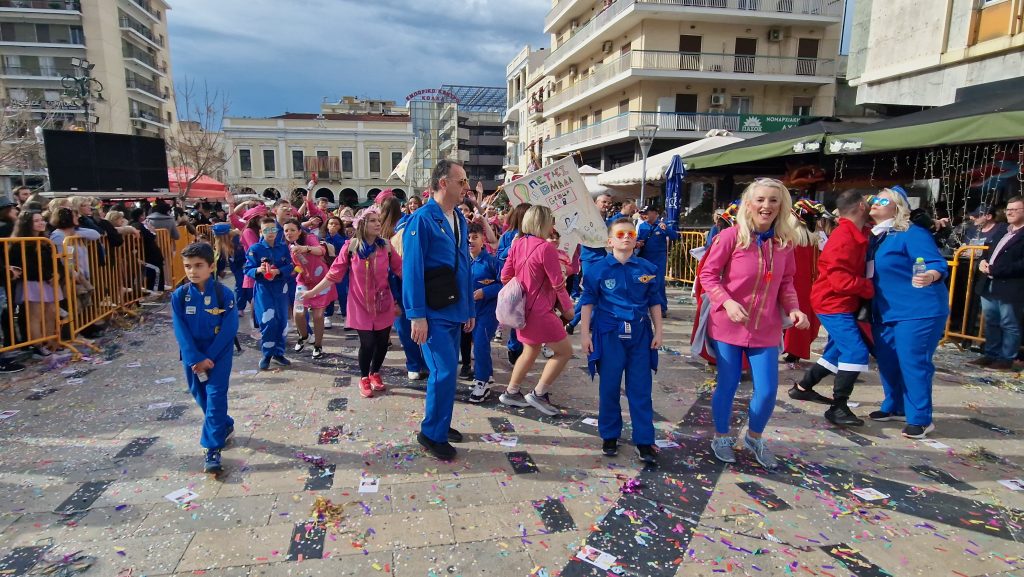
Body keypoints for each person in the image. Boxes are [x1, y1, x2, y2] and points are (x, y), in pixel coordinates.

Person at [698, 178, 808, 470]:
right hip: (728, 326)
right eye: (760, 200)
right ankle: (722, 437)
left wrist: (795, 309)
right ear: (748, 204)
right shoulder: (730, 237)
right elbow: (708, 275)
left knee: (769, 389)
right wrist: (727, 301)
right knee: (729, 383)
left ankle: (754, 437)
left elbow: (787, 282)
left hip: (766, 328)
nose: (766, 206)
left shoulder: (784, 244)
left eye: (773, 200)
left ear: (781, 206)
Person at [402, 160, 475, 461]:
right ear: (443, 183)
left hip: (454, 306)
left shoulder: (458, 217)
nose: (466, 187)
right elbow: (412, 268)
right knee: (442, 372)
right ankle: (431, 433)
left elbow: (465, 266)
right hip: (432, 311)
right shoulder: (422, 219)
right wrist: (416, 314)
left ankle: (441, 424)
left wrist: (469, 308)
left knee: (449, 373)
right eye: (462, 181)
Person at [580, 218, 665, 464]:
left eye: (630, 233)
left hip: (640, 335)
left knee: (640, 389)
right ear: (610, 241)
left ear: (636, 240)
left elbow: (654, 302)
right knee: (609, 387)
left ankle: (644, 440)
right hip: (609, 334)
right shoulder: (597, 269)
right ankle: (609, 435)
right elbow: (587, 303)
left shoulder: (647, 269)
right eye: (620, 234)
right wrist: (585, 335)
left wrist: (659, 331)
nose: (625, 237)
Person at [866, 186, 949, 438]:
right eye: (874, 199)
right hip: (886, 311)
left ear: (898, 207)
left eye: (883, 200)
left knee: (913, 362)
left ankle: (921, 418)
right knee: (889, 361)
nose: (875, 202)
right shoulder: (876, 237)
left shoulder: (911, 232)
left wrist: (931, 275)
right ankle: (895, 405)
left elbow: (935, 262)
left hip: (918, 310)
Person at [789, 190, 874, 427]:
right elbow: (840, 280)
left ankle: (803, 387)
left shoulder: (855, 232)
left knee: (837, 351)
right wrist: (870, 288)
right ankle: (839, 406)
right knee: (855, 352)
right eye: (869, 201)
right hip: (833, 303)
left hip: (840, 301)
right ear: (860, 205)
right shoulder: (844, 236)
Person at [304, 208, 401, 394]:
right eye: (373, 220)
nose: (378, 223)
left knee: (382, 342)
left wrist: (422, 286)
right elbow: (333, 274)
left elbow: (401, 270)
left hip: (383, 302)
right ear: (362, 224)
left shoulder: (386, 246)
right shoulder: (350, 247)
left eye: (378, 220)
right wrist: (313, 292)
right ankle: (364, 377)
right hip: (359, 304)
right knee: (368, 343)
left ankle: (375, 373)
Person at [497, 205, 574, 416]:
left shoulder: (518, 243)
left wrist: (524, 286)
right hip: (541, 310)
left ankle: (511, 392)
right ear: (543, 223)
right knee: (564, 352)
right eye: (551, 220)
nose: (553, 225)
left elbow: (505, 276)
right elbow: (558, 284)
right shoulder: (546, 247)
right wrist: (568, 309)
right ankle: (539, 393)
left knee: (530, 351)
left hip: (522, 310)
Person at [171, 242, 238, 474]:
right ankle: (224, 423)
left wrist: (210, 357)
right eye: (188, 266)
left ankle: (212, 449)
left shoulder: (223, 294)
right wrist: (195, 358)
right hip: (193, 358)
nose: (192, 271)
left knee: (216, 395)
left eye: (198, 265)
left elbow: (230, 328)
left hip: (219, 355)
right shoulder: (179, 296)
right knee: (201, 396)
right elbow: (180, 331)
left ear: (211, 267)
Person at [971, 196, 1024, 371]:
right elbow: (988, 250)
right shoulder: (1002, 230)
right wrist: (982, 262)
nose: (1009, 212)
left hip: (1010, 285)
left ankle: (1006, 358)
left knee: (1009, 323)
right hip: (988, 283)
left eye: (1015, 209)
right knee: (991, 321)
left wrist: (996, 270)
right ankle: (991, 354)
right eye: (1008, 209)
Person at [11, 211, 64, 358]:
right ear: (27, 224)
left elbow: (56, 260)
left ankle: (49, 341)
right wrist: (48, 276)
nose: (41, 223)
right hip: (33, 282)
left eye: (42, 220)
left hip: (49, 281)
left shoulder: (46, 241)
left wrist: (58, 274)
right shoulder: (19, 243)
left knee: (51, 313)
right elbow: (26, 265)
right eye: (36, 221)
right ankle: (38, 345)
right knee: (35, 315)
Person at [244, 216, 294, 370]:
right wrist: (258, 270)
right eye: (267, 230)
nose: (271, 233)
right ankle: (267, 354)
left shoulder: (283, 247)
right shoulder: (255, 249)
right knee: (267, 321)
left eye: (273, 229)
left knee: (282, 321)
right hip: (264, 290)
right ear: (261, 232)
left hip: (281, 289)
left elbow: (291, 266)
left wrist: (278, 271)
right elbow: (247, 269)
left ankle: (279, 353)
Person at [781, 199, 826, 363]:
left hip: (795, 284)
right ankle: (793, 349)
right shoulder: (813, 240)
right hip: (808, 284)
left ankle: (793, 349)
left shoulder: (791, 239)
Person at [283, 219, 334, 360]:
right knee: (298, 312)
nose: (289, 233)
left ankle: (318, 346)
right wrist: (296, 269)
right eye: (286, 230)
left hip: (321, 281)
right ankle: (304, 336)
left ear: (299, 231)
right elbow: (294, 264)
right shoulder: (287, 246)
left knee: (318, 316)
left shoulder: (309, 238)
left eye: (292, 230)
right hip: (304, 280)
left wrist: (306, 248)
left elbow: (321, 250)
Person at [466, 223, 502, 403]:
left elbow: (504, 283)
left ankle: (481, 382)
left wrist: (485, 292)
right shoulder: (463, 261)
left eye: (474, 237)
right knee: (479, 346)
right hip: (470, 312)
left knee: (480, 344)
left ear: (483, 240)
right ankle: (486, 375)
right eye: (468, 237)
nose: (470, 241)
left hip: (488, 312)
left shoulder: (492, 262)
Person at [567, 193, 614, 332]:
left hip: (603, 259)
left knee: (600, 293)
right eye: (604, 202)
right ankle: (571, 321)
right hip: (590, 259)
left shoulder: (608, 220)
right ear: (595, 203)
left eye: (608, 203)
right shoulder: (586, 217)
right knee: (590, 292)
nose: (606, 205)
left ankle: (589, 323)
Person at [495, 203, 532, 364]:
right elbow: (499, 258)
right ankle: (514, 347)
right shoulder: (508, 236)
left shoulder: (535, 236)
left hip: (531, 284)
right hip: (513, 284)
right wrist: (512, 246)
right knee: (516, 317)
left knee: (529, 319)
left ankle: (526, 348)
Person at [636, 206, 679, 317]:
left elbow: (675, 236)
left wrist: (666, 229)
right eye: (642, 213)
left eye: (646, 213)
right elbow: (639, 240)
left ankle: (661, 308)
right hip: (645, 258)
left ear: (654, 213)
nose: (643, 215)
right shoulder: (642, 226)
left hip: (658, 259)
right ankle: (644, 306)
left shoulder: (662, 225)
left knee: (658, 283)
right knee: (644, 282)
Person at [322, 215, 349, 330]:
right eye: (331, 223)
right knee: (327, 292)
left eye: (336, 224)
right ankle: (327, 315)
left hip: (341, 270)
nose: (333, 226)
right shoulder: (321, 238)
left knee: (342, 293)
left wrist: (335, 236)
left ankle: (346, 315)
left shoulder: (343, 239)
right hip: (326, 270)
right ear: (326, 225)